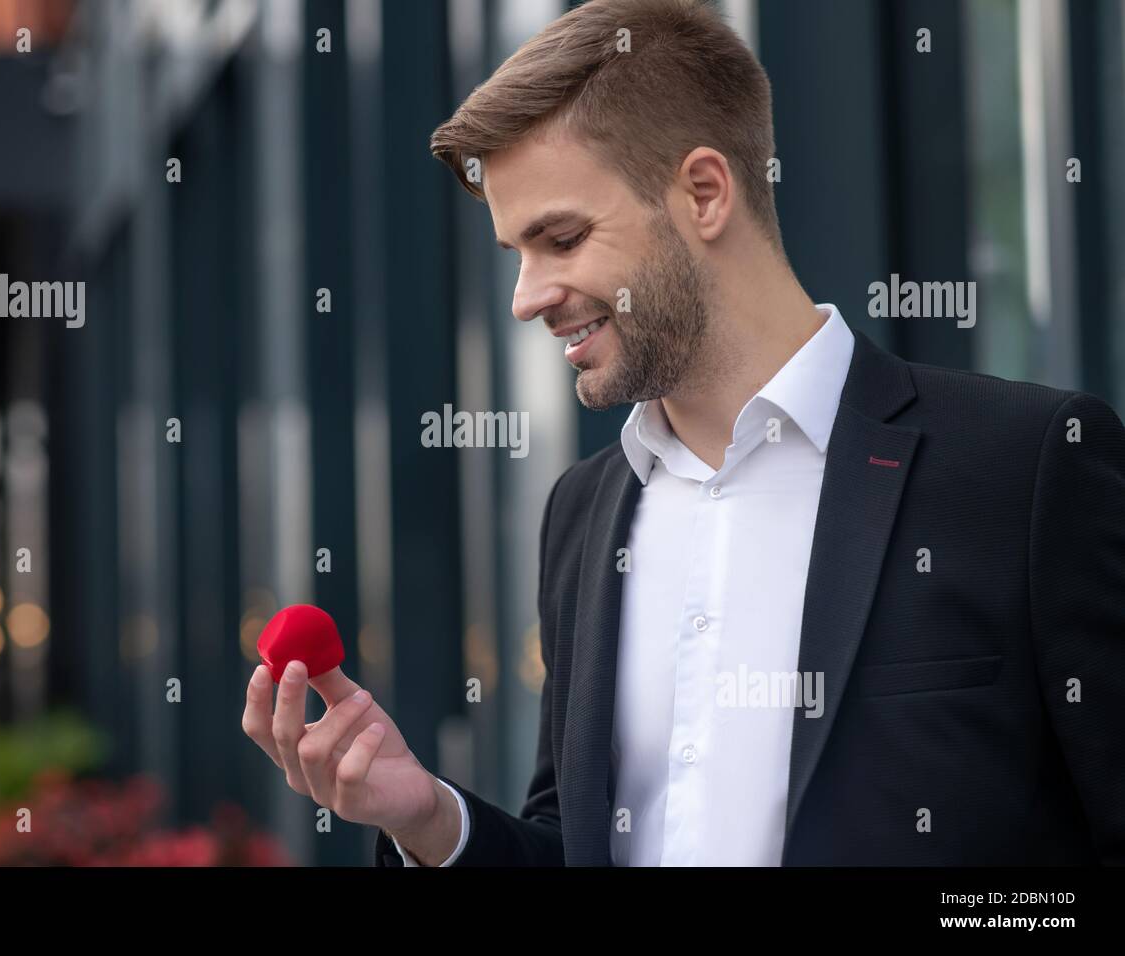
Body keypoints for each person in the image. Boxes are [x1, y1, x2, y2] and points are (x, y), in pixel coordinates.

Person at [242, 0, 1125, 866]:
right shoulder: (582, 515)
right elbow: (571, 842)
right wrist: (433, 820)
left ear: (704, 192)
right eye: (517, 254)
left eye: (561, 238)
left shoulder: (1025, 467)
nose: (527, 297)